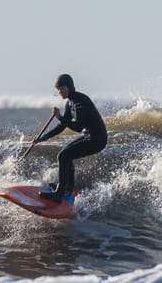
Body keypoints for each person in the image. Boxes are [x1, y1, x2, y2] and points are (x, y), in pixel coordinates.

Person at [32, 74, 107, 202]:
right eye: (58, 90)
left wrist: (60, 117)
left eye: (61, 89)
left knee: (63, 156)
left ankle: (59, 194)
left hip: (97, 139)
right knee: (66, 154)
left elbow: (78, 126)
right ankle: (67, 188)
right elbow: (63, 126)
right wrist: (44, 137)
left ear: (68, 87)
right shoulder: (69, 103)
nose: (59, 92)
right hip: (89, 136)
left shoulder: (80, 101)